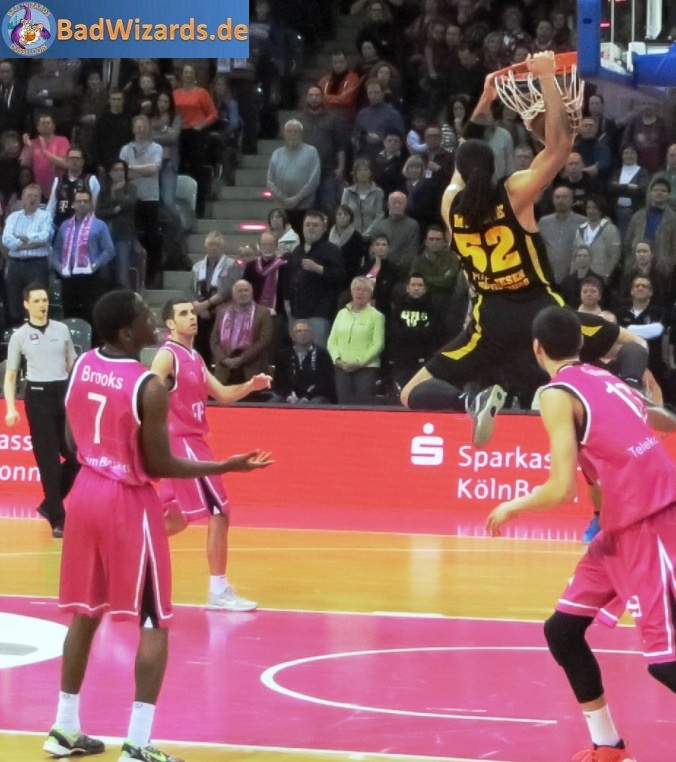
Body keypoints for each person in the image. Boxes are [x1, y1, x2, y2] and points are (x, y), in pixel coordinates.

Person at [44, 290, 272, 762]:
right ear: (128, 333)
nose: (154, 320)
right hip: (125, 499)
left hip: (84, 493)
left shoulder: (83, 364)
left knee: (86, 613)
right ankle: (139, 742)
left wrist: (98, 453)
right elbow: (160, 462)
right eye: (146, 316)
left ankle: (64, 728)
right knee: (154, 621)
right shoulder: (148, 385)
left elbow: (70, 437)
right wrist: (225, 466)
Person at [486, 305, 676, 762]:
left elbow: (559, 488)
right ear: (580, 343)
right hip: (619, 525)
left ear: (537, 348)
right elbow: (657, 419)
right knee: (563, 631)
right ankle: (608, 747)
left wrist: (511, 506)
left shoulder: (555, 394)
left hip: (650, 520)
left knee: (666, 662)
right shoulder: (606, 378)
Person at [401, 52, 574, 440]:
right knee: (611, 349)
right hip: (537, 309)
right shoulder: (513, 193)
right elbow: (561, 146)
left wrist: (484, 100)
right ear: (494, 163)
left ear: (459, 172)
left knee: (412, 391)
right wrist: (546, 78)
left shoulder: (450, 207)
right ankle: (630, 393)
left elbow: (465, 159)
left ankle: (470, 403)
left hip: (489, 317)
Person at [152, 299, 272, 611]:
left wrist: (250, 385)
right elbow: (146, 390)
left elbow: (222, 394)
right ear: (169, 324)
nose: (191, 317)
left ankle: (124, 552)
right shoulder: (168, 355)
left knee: (176, 520)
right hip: (181, 443)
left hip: (195, 440)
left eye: (192, 312)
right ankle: (218, 590)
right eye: (182, 314)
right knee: (220, 511)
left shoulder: (194, 356)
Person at [3, 283, 78, 538]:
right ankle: (58, 517)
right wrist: (11, 408)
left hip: (63, 393)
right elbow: (11, 375)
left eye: (44, 300)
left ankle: (49, 505)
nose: (42, 305)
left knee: (77, 454)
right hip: (37, 395)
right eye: (36, 301)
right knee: (48, 462)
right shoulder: (19, 336)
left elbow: (72, 365)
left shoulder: (62, 329)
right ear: (26, 304)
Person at [50, 189, 116, 327]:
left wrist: (95, 265)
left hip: (90, 277)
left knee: (91, 313)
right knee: (69, 313)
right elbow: (55, 250)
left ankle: (91, 345)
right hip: (68, 276)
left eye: (85, 201)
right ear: (73, 204)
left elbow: (109, 250)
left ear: (91, 204)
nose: (82, 204)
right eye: (79, 201)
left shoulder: (99, 225)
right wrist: (59, 267)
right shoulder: (64, 225)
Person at [327, 276, 385, 405]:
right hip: (341, 367)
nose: (360, 293)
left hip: (366, 368)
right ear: (351, 292)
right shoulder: (341, 313)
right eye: (357, 289)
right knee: (343, 404)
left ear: (370, 294)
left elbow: (378, 344)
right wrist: (337, 360)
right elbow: (332, 341)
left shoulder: (376, 316)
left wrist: (359, 362)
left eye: (364, 290)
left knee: (362, 405)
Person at [1, 182, 53, 327]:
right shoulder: (13, 217)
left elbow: (44, 237)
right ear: (23, 198)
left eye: (36, 196)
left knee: (37, 303)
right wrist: (28, 242)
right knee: (14, 304)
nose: (32, 199)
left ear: (40, 199)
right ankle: (16, 334)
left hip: (36, 264)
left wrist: (20, 241)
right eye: (29, 195)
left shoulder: (45, 216)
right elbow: (6, 239)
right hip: (15, 265)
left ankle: (38, 332)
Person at [210, 280, 274, 386]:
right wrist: (223, 359)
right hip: (225, 370)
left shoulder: (263, 313)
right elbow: (214, 339)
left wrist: (242, 359)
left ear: (252, 293)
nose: (243, 294)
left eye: (246, 290)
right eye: (239, 291)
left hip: (252, 369)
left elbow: (264, 340)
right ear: (233, 294)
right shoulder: (222, 311)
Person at [270, 320, 335, 404]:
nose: (302, 333)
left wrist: (307, 398)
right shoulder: (284, 354)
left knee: (317, 402)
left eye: (306, 331)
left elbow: (325, 382)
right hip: (290, 396)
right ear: (292, 336)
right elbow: (279, 381)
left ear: (311, 334)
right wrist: (289, 396)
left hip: (315, 396)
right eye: (299, 331)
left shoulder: (322, 354)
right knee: (274, 401)